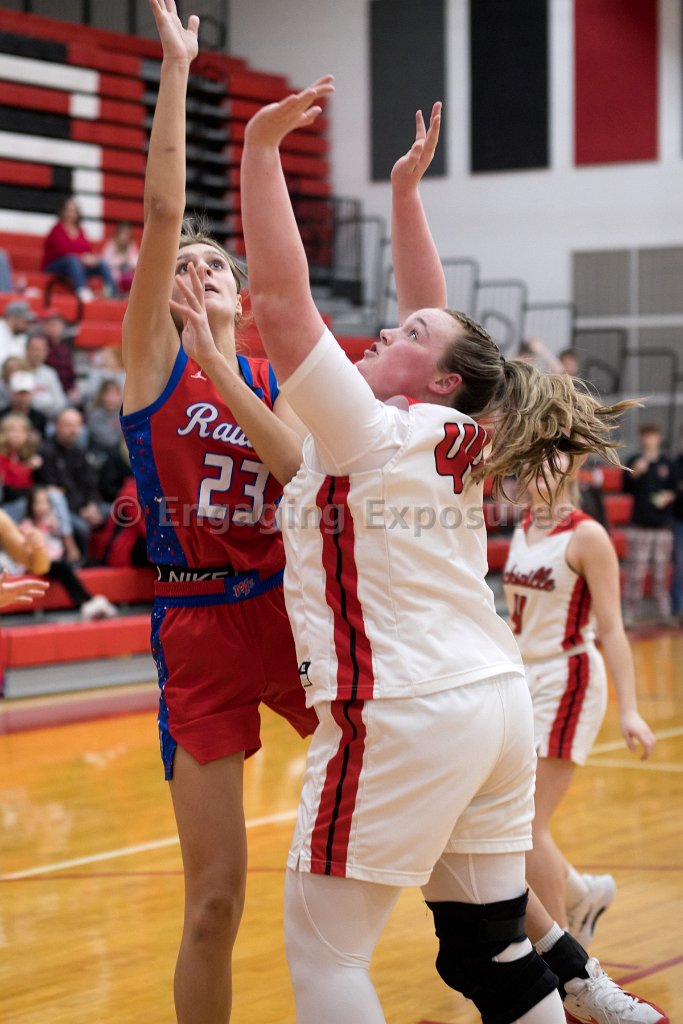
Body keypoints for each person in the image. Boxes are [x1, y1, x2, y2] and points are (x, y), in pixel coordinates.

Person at [200, 71, 653, 1024]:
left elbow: (278, 300)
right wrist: (405, 197)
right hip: (492, 705)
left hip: (403, 705)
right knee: (492, 951)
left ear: (439, 379)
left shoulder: (371, 431)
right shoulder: (457, 428)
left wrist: (257, 149)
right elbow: (438, 325)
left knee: (325, 955)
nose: (382, 328)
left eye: (402, 333)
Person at [119, 4, 316, 1022]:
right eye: (184, 267)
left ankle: (547, 946)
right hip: (196, 623)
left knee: (419, 792)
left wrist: (233, 371)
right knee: (213, 904)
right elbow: (162, 213)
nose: (195, 270)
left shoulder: (278, 378)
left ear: (240, 293)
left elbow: (301, 470)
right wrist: (176, 68)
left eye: (213, 265)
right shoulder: (152, 363)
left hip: (290, 612)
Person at [502, 457, 656, 950]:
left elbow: (612, 628)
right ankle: (582, 894)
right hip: (525, 677)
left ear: (572, 469)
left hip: (569, 678)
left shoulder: (588, 536)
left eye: (551, 460)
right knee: (511, 819)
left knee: (527, 825)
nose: (538, 470)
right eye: (532, 460)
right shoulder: (524, 525)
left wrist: (629, 709)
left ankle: (563, 954)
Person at [19, 486, 116, 619]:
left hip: (56, 560)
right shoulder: (27, 525)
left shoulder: (51, 522)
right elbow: (29, 552)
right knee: (64, 569)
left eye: (45, 502)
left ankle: (90, 601)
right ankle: (86, 601)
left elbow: (58, 547)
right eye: (38, 503)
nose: (42, 507)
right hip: (38, 563)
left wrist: (53, 528)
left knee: (86, 564)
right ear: (31, 505)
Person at [36, 406, 107, 560]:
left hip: (84, 504)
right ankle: (81, 562)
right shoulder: (46, 451)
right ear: (57, 426)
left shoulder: (79, 451)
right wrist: (82, 509)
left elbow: (90, 483)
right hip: (59, 508)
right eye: (68, 426)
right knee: (82, 528)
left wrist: (92, 504)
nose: (73, 430)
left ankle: (107, 557)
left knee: (115, 512)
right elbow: (54, 489)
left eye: (76, 426)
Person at [622, 423, 676, 625]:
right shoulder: (634, 460)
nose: (650, 440)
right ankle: (630, 612)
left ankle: (663, 612)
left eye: (653, 435)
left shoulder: (667, 463)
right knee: (635, 572)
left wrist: (669, 496)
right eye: (646, 435)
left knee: (661, 573)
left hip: (662, 526)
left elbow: (676, 490)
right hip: (640, 525)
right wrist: (635, 473)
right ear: (641, 438)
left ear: (659, 437)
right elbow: (625, 487)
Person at [42, 197, 117, 302]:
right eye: (69, 210)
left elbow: (88, 249)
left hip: (77, 267)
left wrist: (91, 258)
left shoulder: (81, 231)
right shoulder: (57, 229)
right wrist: (82, 257)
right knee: (72, 260)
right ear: (63, 212)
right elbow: (61, 250)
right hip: (56, 265)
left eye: (74, 211)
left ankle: (112, 293)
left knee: (102, 263)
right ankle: (82, 291)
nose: (71, 214)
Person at [24, 329, 68, 420]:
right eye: (35, 349)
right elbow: (21, 402)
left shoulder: (49, 373)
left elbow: (60, 402)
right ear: (26, 350)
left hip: (49, 418)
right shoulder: (17, 370)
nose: (38, 353)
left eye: (42, 350)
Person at [101, 220, 139, 294]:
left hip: (128, 276)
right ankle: (114, 293)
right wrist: (122, 259)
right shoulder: (111, 245)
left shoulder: (132, 246)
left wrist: (128, 260)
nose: (124, 237)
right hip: (113, 275)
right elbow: (105, 261)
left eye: (127, 234)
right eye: (123, 234)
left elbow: (137, 262)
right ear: (117, 234)